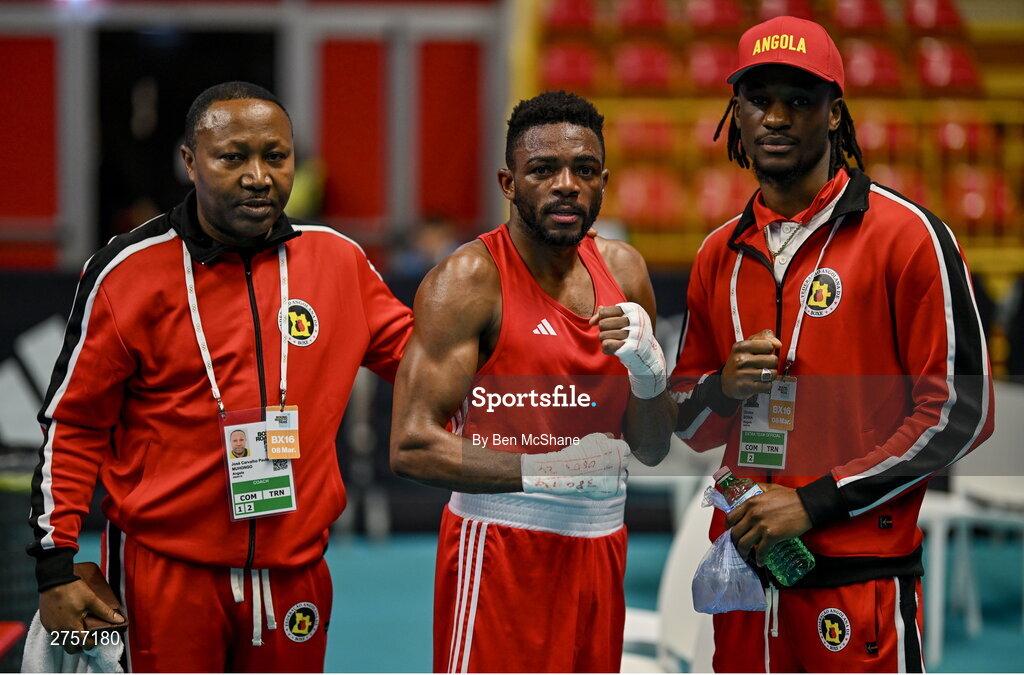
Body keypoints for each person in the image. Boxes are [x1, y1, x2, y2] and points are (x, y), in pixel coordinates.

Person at [27, 81, 413, 672]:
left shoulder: (338, 260)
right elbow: (74, 425)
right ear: (190, 161)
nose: (259, 176)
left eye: (276, 157)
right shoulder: (126, 272)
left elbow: (430, 363)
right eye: (233, 157)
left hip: (295, 573)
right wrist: (55, 567)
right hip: (165, 574)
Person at [665, 16, 995, 672]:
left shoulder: (911, 238)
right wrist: (724, 387)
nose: (777, 117)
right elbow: (691, 425)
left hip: (859, 587)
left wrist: (813, 500)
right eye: (759, 100)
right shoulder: (716, 255)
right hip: (745, 590)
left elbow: (960, 411)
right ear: (737, 112)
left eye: (800, 99)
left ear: (835, 113)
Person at [390, 90, 676, 673]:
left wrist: (649, 372)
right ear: (508, 182)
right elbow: (412, 443)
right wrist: (551, 470)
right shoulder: (467, 282)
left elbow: (650, 448)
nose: (567, 184)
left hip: (601, 548)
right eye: (544, 169)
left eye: (585, 170)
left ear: (603, 181)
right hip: (500, 549)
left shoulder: (625, 272)